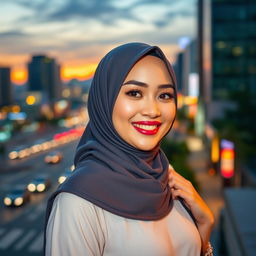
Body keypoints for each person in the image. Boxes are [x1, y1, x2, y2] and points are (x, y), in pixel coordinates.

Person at [44, 42, 214, 256]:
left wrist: (204, 227)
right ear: (105, 100)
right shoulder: (77, 203)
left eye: (164, 96)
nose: (152, 111)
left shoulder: (165, 176)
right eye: (134, 93)